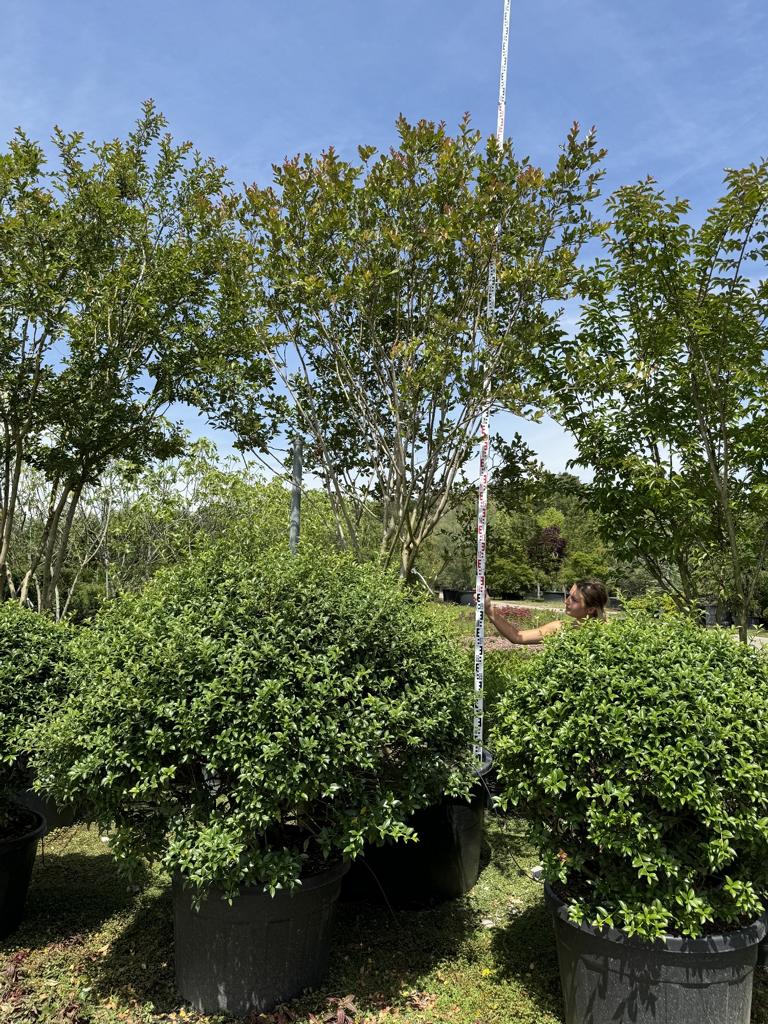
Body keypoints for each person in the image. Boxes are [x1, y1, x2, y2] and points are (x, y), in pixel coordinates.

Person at [484, 580, 608, 645]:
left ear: (590, 609)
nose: (566, 601)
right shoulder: (559, 629)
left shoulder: (611, 633)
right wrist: (489, 609)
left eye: (573, 599)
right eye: (568, 596)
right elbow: (517, 637)